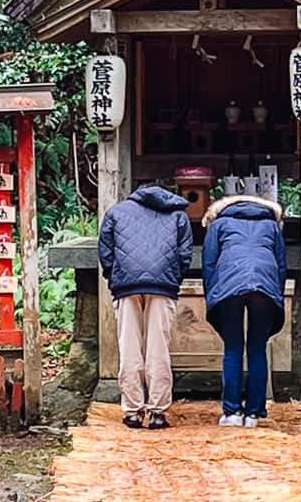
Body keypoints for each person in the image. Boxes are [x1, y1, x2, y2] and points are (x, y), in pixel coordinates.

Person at [97, 183, 192, 429]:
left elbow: (105, 253)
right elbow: (185, 256)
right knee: (158, 347)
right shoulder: (178, 214)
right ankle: (158, 411)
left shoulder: (117, 212)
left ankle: (133, 410)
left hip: (126, 286)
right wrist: (172, 280)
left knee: (129, 346)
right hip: (163, 286)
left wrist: (116, 278)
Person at [201, 192, 287, 427]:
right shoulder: (271, 226)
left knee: (233, 348)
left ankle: (231, 412)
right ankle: (254, 414)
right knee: (257, 347)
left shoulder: (218, 224)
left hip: (229, 287)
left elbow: (208, 263)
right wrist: (275, 294)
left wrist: (211, 295)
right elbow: (281, 266)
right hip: (264, 288)